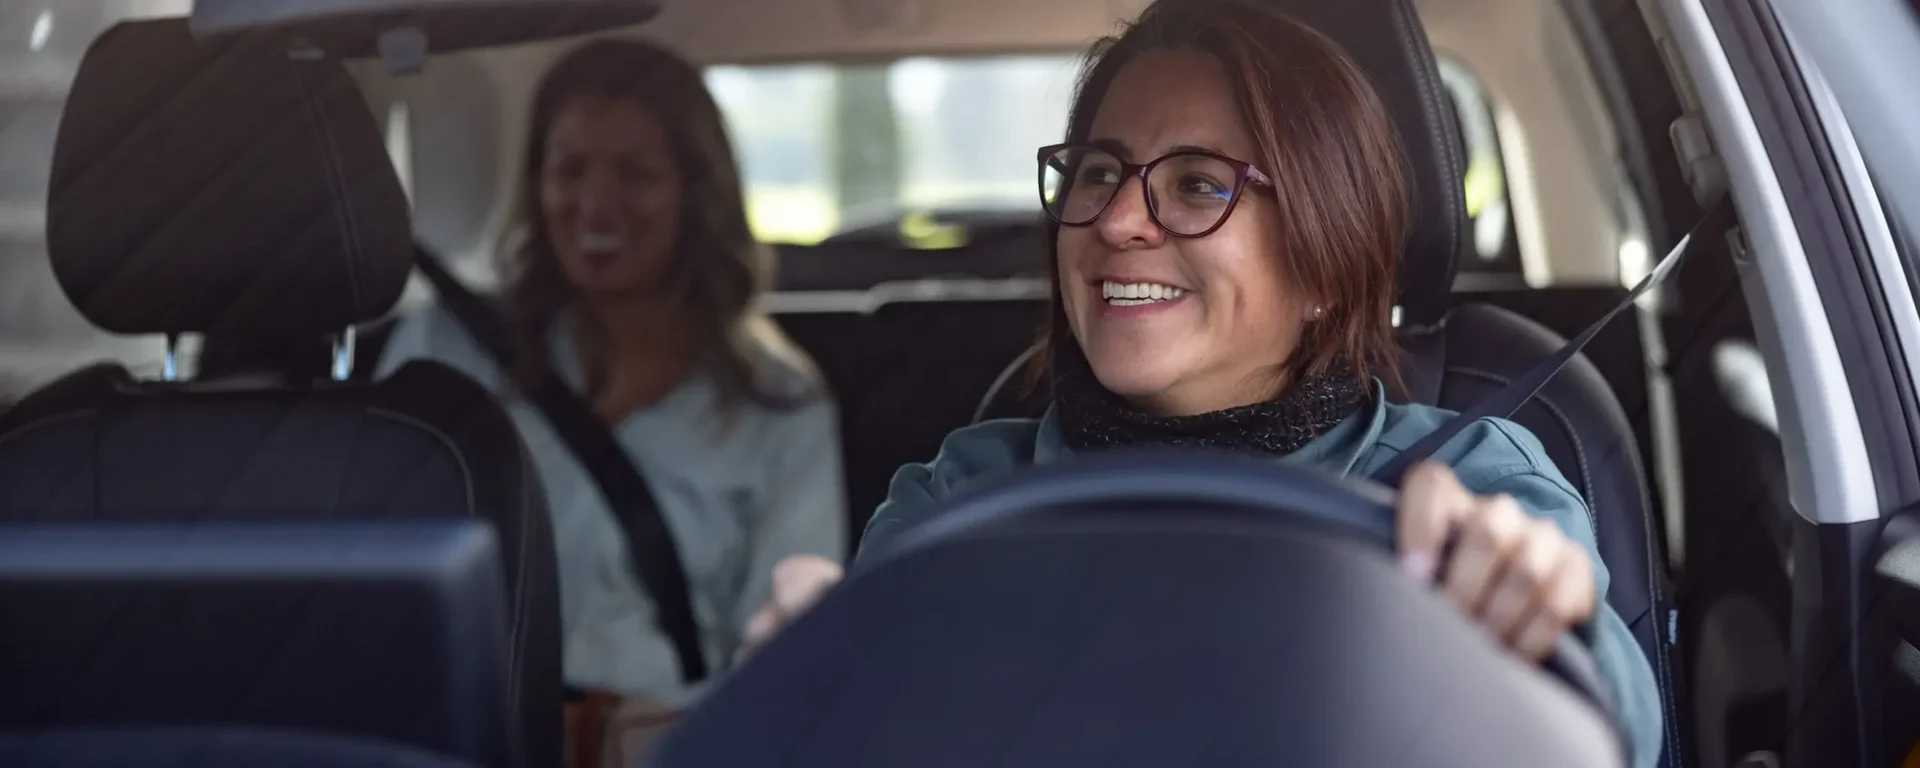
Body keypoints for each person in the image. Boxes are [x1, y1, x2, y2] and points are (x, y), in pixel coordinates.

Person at [740, 1, 1663, 765]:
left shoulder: (1470, 485)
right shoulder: (963, 494)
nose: (1117, 222)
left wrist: (1542, 620)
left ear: (1324, 260)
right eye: (1100, 173)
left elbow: (1616, 732)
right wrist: (810, 688)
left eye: (1197, 185)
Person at [378, 39, 847, 717]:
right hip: (466, 732)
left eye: (637, 173)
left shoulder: (777, 402)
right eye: (569, 170)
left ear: (696, 192)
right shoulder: (445, 352)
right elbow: (377, 586)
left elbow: (785, 655)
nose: (596, 207)